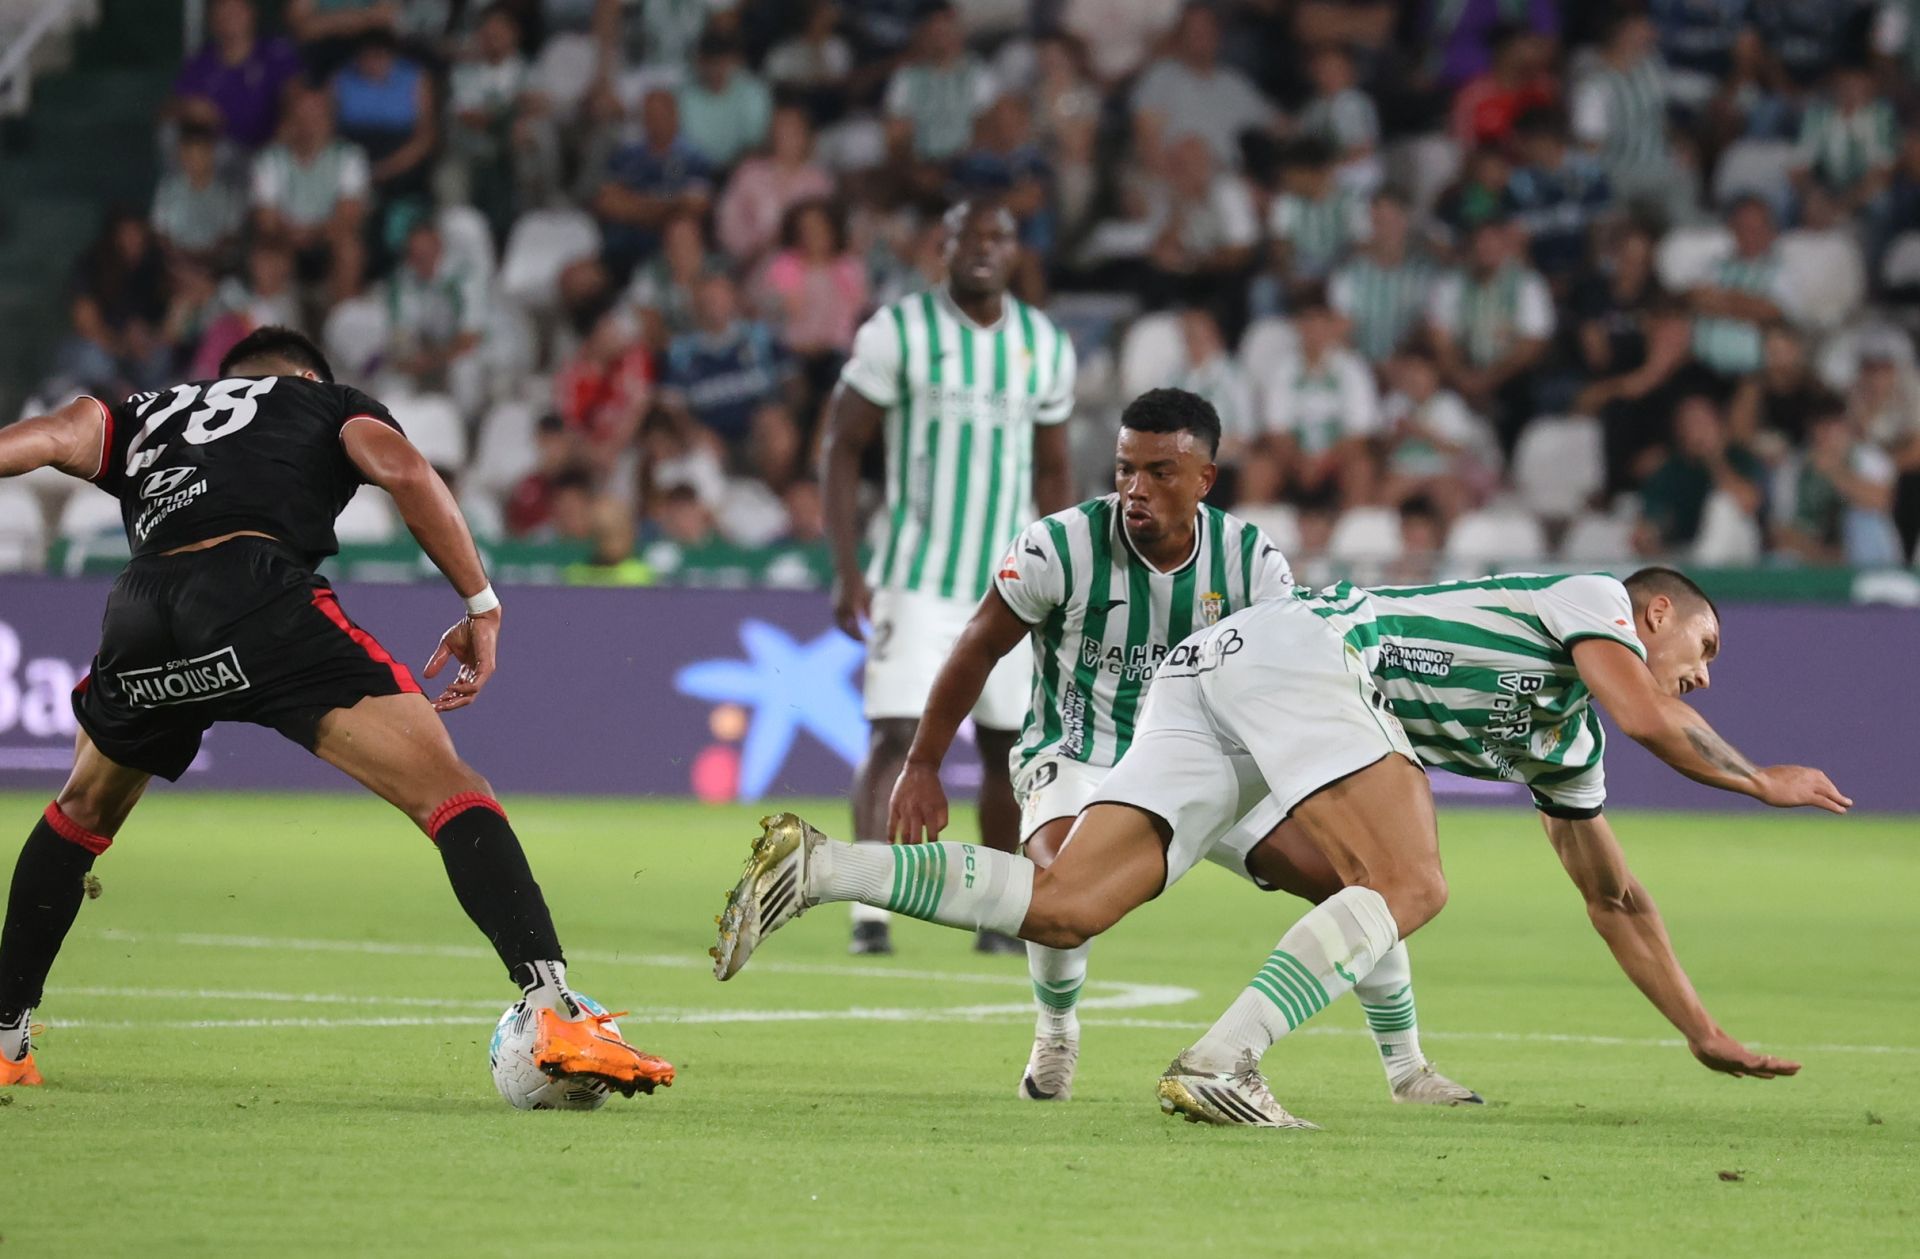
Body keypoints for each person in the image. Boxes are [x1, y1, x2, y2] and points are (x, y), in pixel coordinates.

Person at [713, 566, 1848, 1126]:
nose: (1702, 671)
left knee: (1067, 907)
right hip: (1306, 656)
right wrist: (1761, 778)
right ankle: (1221, 1060)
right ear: (1653, 614)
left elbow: (1616, 897)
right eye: (1701, 644)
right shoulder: (1595, 598)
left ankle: (818, 866)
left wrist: (1703, 1030)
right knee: (1407, 878)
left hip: (1224, 674)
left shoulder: (1564, 741)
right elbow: (1657, 720)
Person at [0, 327, 674, 1095]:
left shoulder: (147, 410)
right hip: (257, 597)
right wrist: (480, 603)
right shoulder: (327, 404)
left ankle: (2, 1037)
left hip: (140, 610)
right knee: (454, 789)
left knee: (81, 808)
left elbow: (55, 436)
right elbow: (404, 468)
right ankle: (556, 1009)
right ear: (309, 377)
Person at [878, 389, 1477, 1107]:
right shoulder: (1056, 545)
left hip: (1216, 761)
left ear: (1204, 480)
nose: (1136, 488)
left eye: (1161, 471)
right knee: (1064, 884)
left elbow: (1290, 680)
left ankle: (1407, 1068)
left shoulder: (1251, 562)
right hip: (1083, 753)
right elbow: (978, 646)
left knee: (1361, 877)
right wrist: (922, 763)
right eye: (1126, 468)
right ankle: (1057, 1033)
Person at [820, 198, 1076, 956]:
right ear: (944, 248)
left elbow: (1056, 465)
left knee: (1007, 745)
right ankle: (872, 907)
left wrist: (1063, 573)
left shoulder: (1044, 344)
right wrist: (846, 567)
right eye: (968, 237)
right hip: (915, 574)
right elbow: (842, 444)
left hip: (1011, 582)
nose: (982, 250)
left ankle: (996, 912)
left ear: (1014, 249)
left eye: (997, 236)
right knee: (895, 732)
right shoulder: (899, 331)